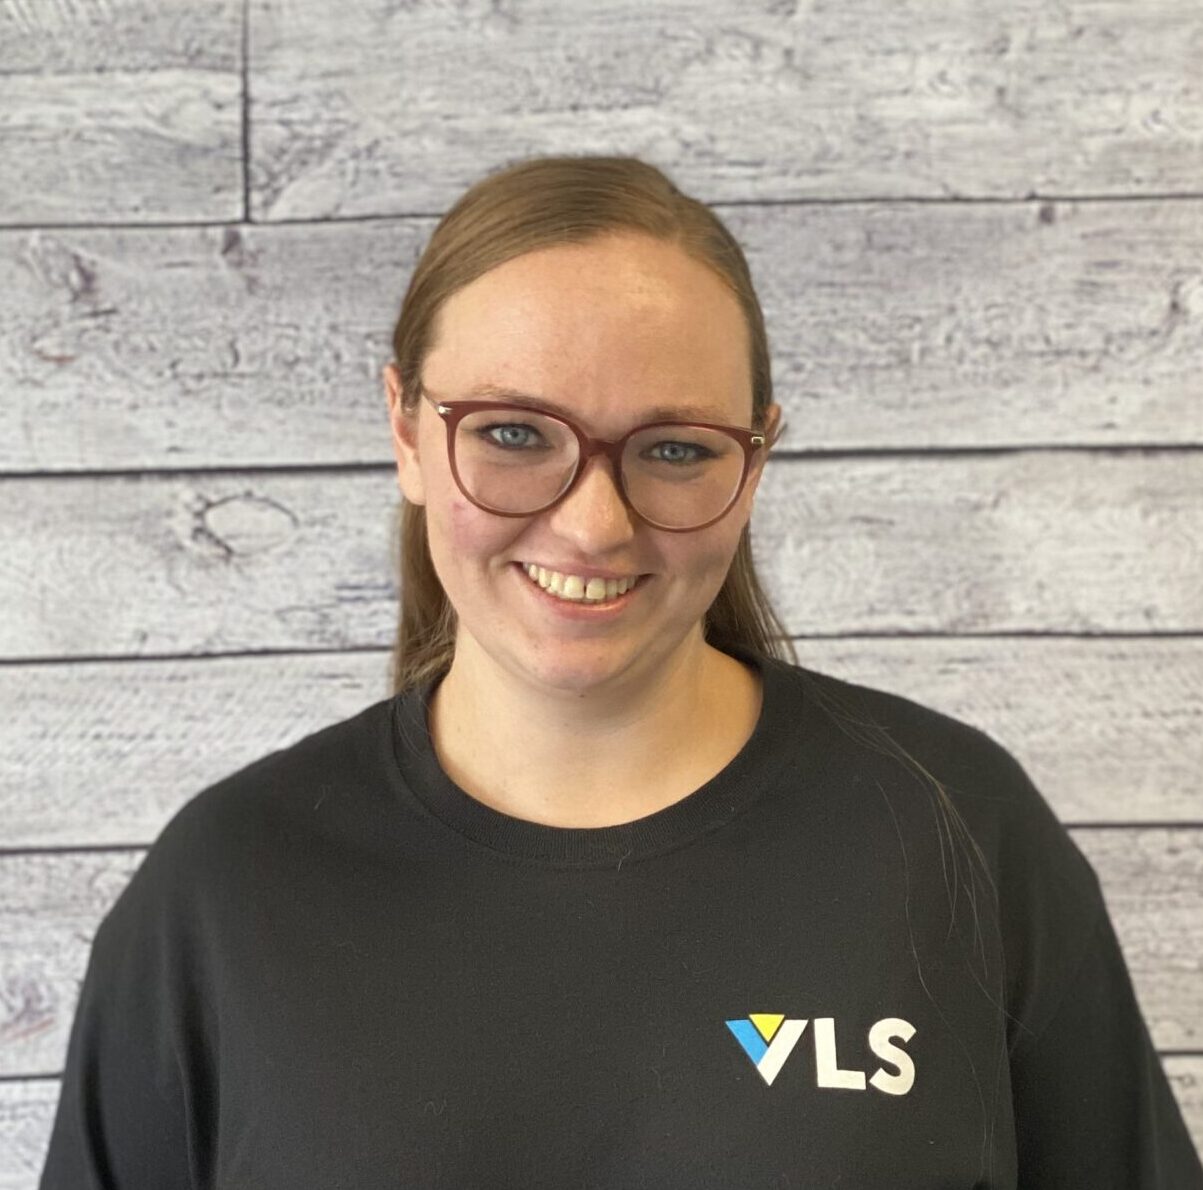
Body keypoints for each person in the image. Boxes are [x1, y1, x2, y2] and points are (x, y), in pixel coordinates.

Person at [39, 155, 1202, 1189]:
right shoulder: (229, 887)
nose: (593, 524)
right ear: (404, 427)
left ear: (756, 459)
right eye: (510, 432)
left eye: (677, 448)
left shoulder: (955, 825)